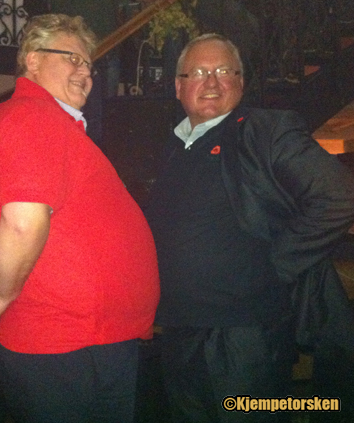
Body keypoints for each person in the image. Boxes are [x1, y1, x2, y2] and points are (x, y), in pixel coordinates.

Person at [0, 14, 159, 423]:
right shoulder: (33, 115)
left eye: (89, 65)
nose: (86, 72)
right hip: (69, 345)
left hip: (77, 339)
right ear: (33, 60)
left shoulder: (35, 125)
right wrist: (4, 296)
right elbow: (22, 223)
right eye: (73, 58)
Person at [144, 33, 354, 422]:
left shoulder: (263, 130)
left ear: (240, 83)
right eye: (198, 73)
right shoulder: (174, 146)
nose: (211, 82)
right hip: (179, 332)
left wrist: (277, 263)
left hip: (243, 338)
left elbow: (340, 195)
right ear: (178, 87)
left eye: (224, 71)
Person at [23, 0, 174, 145]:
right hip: (72, 58)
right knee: (73, 118)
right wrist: (53, 43)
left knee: (103, 122)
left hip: (108, 51)